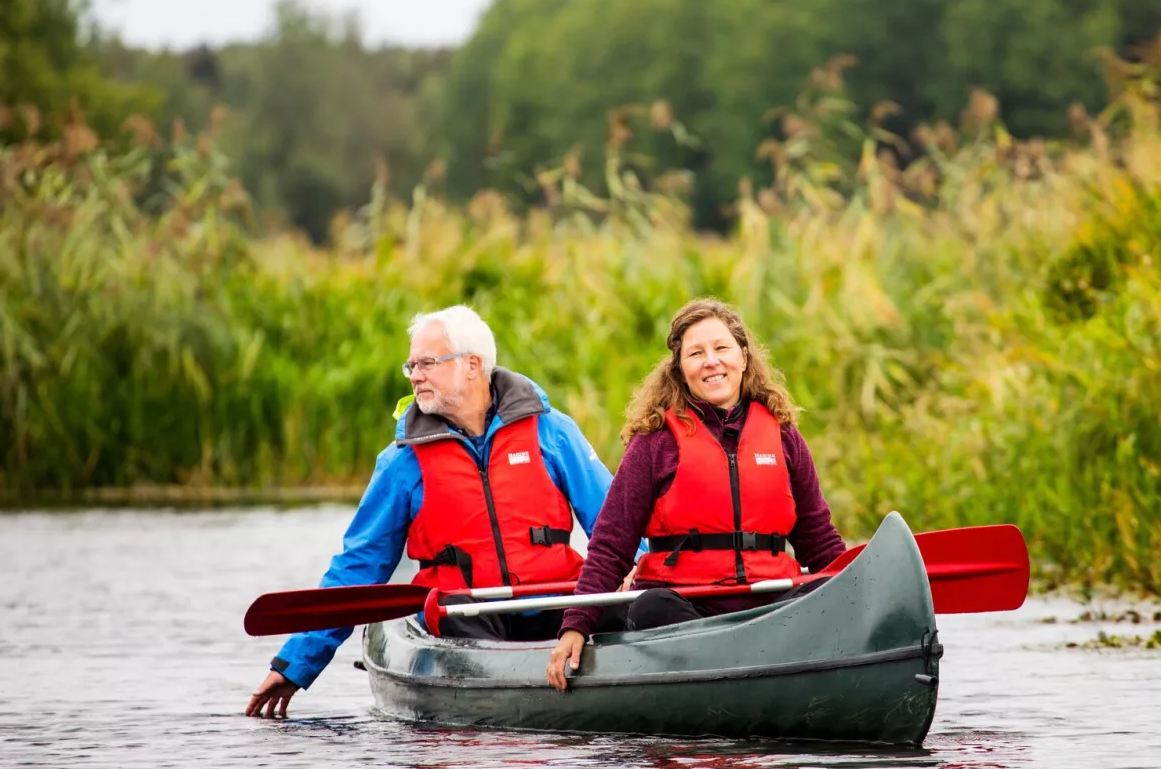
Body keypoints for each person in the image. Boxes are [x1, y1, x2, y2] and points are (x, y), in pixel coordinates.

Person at [247, 304, 613, 718]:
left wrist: (640, 575)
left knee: (622, 618)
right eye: (411, 365)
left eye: (427, 363)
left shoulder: (552, 431)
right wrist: (296, 665)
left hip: (559, 600)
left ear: (473, 365)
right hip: (461, 613)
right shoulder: (403, 461)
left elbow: (615, 525)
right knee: (465, 634)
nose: (415, 375)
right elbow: (359, 566)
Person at [546, 298, 847, 691]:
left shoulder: (784, 435)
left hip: (770, 605)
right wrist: (576, 626)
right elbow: (610, 545)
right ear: (680, 369)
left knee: (823, 588)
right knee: (650, 606)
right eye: (696, 353)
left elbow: (820, 541)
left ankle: (771, 669)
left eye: (721, 348)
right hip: (688, 609)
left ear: (743, 357)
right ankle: (732, 677)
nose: (711, 362)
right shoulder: (655, 442)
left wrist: (857, 594)